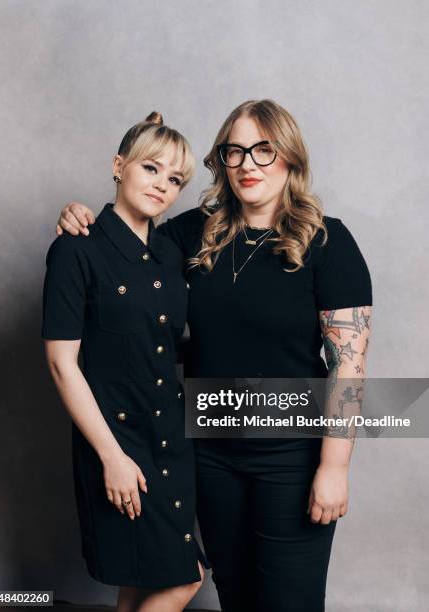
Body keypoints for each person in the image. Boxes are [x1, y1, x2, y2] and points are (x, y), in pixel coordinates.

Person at [55, 99, 373, 612]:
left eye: (264, 150)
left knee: (290, 601)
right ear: (221, 162)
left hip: (290, 455)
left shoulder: (328, 242)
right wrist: (80, 218)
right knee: (236, 596)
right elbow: (124, 252)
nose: (248, 163)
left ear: (290, 158)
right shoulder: (190, 233)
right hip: (207, 455)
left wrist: (334, 467)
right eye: (235, 151)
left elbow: (348, 366)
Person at [42, 112, 208, 612]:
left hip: (172, 443)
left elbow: (159, 344)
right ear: (119, 166)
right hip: (116, 442)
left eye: (175, 179)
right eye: (151, 169)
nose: (162, 185)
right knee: (183, 579)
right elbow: (61, 365)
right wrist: (112, 458)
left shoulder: (170, 253)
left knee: (140, 581)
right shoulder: (76, 251)